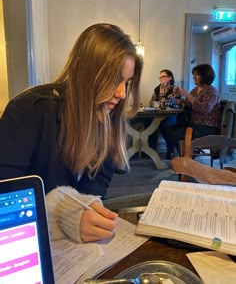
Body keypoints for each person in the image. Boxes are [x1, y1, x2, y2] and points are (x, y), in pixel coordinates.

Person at [0, 23, 143, 243]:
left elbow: (98, 182)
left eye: (126, 81)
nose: (122, 93)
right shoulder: (28, 110)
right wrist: (60, 213)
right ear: (79, 69)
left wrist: (87, 206)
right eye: (114, 79)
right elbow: (7, 193)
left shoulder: (109, 118)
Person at [163, 63, 221, 157]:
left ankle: (187, 155)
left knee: (175, 133)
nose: (194, 77)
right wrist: (178, 96)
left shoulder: (212, 92)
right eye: (194, 74)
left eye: (197, 74)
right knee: (167, 129)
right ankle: (187, 153)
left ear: (205, 76)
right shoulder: (195, 90)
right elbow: (186, 104)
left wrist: (188, 96)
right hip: (193, 124)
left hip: (206, 127)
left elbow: (205, 109)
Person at [148, 69, 178, 159]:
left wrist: (161, 95)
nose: (161, 79)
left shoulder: (175, 89)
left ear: (170, 78)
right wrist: (158, 97)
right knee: (148, 122)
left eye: (163, 76)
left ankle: (170, 149)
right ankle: (151, 150)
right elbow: (151, 102)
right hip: (158, 115)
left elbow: (171, 104)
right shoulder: (157, 88)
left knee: (164, 126)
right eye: (160, 77)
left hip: (172, 115)